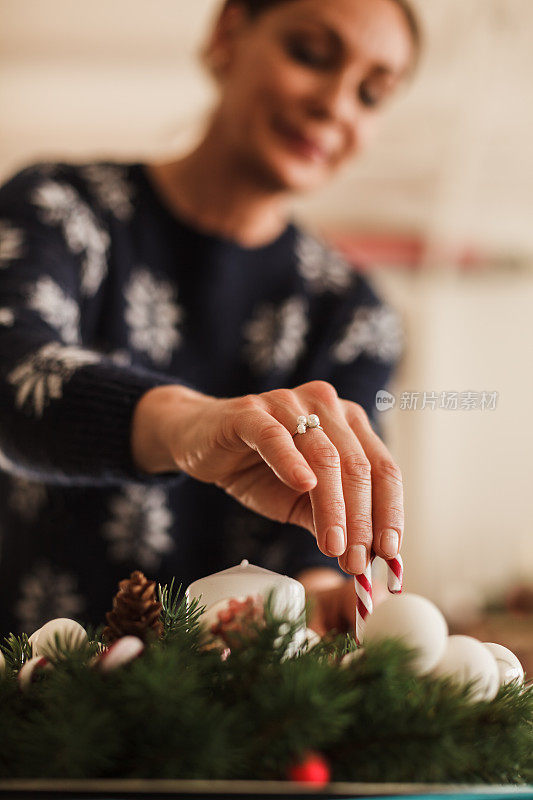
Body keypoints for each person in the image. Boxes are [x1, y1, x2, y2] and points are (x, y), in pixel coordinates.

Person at [0, 0, 419, 635]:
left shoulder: (354, 313)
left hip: (230, 725)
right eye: (310, 54)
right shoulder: (61, 208)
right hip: (33, 704)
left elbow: (320, 533)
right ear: (228, 34)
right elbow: (14, 377)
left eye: (371, 93)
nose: (337, 105)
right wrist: (190, 425)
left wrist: (323, 592)